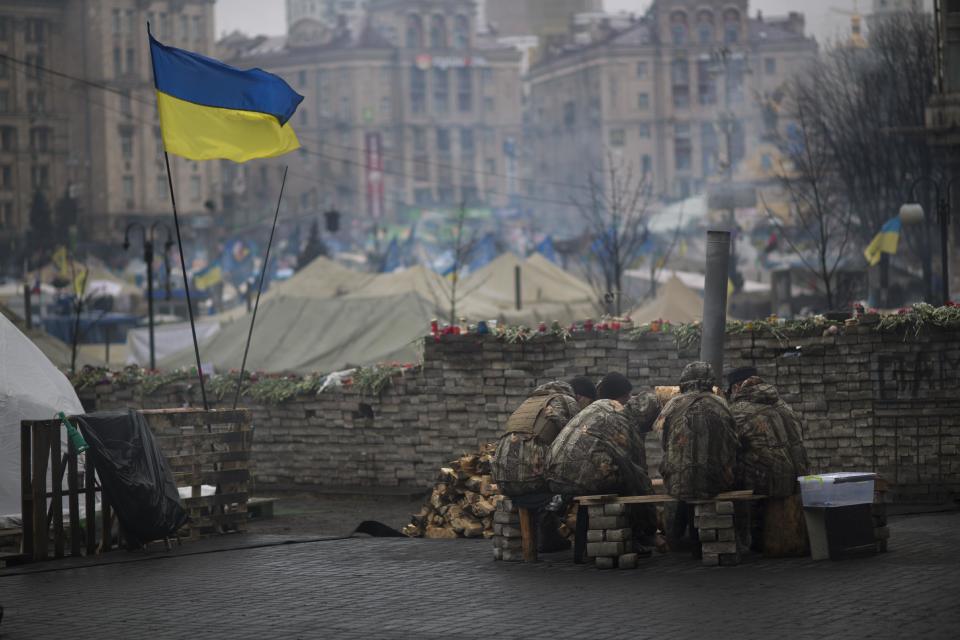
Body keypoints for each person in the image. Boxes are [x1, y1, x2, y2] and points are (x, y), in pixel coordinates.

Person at [546, 384, 661, 544]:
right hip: (581, 480)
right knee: (628, 485)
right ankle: (632, 539)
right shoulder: (626, 423)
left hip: (552, 474)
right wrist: (652, 526)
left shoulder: (600, 405)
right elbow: (639, 477)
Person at [491, 380, 586, 552]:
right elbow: (578, 439)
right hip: (533, 479)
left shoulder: (529, 403)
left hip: (502, 478)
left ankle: (543, 536)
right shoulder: (566, 401)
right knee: (576, 485)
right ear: (577, 396)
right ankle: (557, 538)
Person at [656, 362, 739, 547]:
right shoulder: (722, 405)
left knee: (685, 481)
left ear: (684, 381)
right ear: (711, 382)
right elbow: (733, 443)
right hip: (715, 482)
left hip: (678, 483)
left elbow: (662, 440)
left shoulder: (671, 405)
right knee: (700, 481)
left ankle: (676, 538)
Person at [728, 367, 810, 555]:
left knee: (728, 474)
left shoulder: (739, 411)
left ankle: (743, 538)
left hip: (770, 480)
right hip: (800, 476)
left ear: (737, 387)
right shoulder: (783, 405)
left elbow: (728, 446)